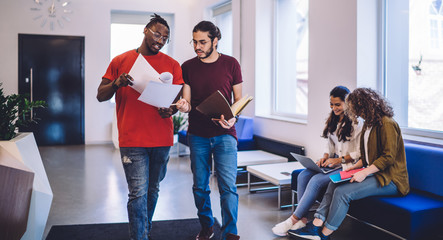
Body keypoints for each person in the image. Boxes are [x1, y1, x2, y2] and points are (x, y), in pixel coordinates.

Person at [96, 14, 184, 240]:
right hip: (132, 140)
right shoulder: (120, 61)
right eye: (157, 33)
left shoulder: (172, 65)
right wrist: (117, 83)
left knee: (153, 190)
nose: (161, 40)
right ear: (145, 30)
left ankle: (145, 230)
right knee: (137, 193)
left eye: (165, 37)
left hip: (161, 139)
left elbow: (178, 100)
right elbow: (100, 95)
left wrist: (172, 109)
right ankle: (139, 237)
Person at [289, 87, 410, 240]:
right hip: (376, 173)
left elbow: (388, 157)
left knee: (343, 193)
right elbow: (367, 156)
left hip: (391, 179)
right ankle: (315, 225)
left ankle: (323, 234)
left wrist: (364, 172)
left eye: (355, 108)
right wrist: (352, 169)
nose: (353, 112)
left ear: (364, 105)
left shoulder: (387, 124)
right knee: (334, 183)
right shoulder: (368, 124)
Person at [175, 21, 242, 240]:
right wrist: (183, 105)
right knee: (200, 187)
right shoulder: (187, 66)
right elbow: (186, 100)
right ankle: (207, 226)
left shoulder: (231, 64)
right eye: (194, 42)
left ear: (215, 40)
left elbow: (239, 100)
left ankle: (231, 232)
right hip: (198, 135)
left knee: (228, 187)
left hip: (225, 135)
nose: (197, 46)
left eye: (202, 42)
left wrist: (233, 119)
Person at [271, 86, 363, 236]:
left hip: (349, 166)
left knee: (315, 181)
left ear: (347, 103)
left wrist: (338, 160)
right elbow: (330, 144)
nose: (334, 108)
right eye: (331, 105)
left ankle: (293, 220)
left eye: (337, 105)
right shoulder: (333, 120)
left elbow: (360, 153)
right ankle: (303, 219)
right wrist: (325, 157)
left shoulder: (356, 124)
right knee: (303, 175)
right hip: (335, 164)